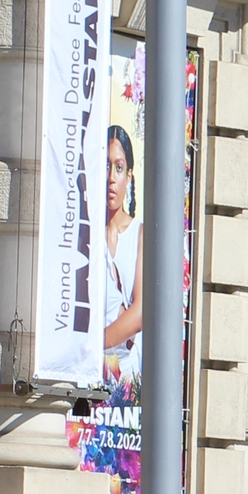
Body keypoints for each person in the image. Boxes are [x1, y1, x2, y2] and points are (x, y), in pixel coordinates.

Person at [97, 124, 141, 377]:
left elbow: (139, 314)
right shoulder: (85, 234)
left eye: (119, 167)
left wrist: (88, 345)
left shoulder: (141, 235)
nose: (111, 177)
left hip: (126, 376)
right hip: (86, 374)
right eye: (105, 165)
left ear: (129, 174)